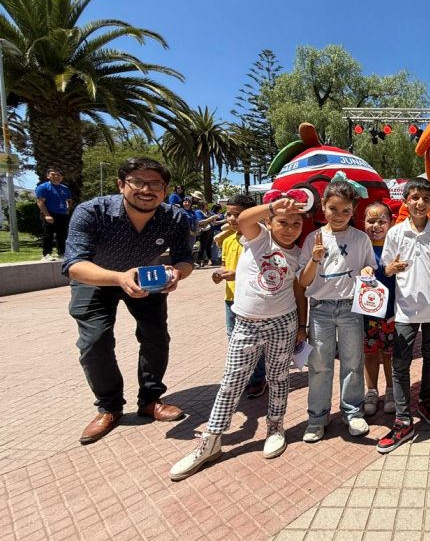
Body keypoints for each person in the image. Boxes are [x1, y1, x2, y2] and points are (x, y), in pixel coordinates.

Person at [170, 193, 308, 481]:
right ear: (269, 223)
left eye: (297, 223)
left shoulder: (298, 253)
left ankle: (275, 427)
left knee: (278, 378)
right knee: (232, 381)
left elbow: (299, 290)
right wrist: (273, 205)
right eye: (283, 221)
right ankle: (211, 441)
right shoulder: (259, 239)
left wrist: (301, 325)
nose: (291, 227)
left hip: (283, 322)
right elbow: (244, 219)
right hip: (246, 323)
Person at [62, 157, 194, 445]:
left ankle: (150, 399)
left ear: (165, 188)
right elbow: (73, 264)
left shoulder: (174, 217)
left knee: (156, 337)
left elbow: (185, 259)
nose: (146, 189)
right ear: (121, 184)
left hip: (147, 280)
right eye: (138, 181)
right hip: (95, 279)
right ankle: (109, 408)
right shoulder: (91, 212)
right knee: (94, 341)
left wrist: (176, 273)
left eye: (155, 184)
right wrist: (119, 277)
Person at [298, 172, 377, 443]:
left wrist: (368, 271)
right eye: (333, 209)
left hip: (350, 308)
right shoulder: (313, 239)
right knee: (319, 364)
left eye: (346, 210)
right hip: (319, 309)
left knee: (353, 362)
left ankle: (352, 412)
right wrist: (315, 260)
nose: (339, 214)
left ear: (354, 210)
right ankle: (317, 418)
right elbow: (303, 280)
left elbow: (370, 269)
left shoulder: (360, 238)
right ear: (323, 206)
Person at [377, 177, 430, 453]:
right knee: (400, 362)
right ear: (406, 201)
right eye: (415, 197)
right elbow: (386, 268)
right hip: (405, 309)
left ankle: (426, 401)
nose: (420, 202)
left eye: (425, 198)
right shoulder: (396, 233)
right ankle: (402, 418)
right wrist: (393, 268)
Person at [212, 194, 268, 399]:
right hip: (231, 298)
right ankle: (243, 377)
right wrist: (219, 273)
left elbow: (267, 270)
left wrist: (237, 274)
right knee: (234, 339)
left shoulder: (261, 238)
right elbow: (224, 264)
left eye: (238, 215)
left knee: (256, 341)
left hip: (253, 300)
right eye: (229, 214)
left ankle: (258, 378)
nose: (231, 219)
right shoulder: (226, 239)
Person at [361, 201, 397, 416]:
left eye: (381, 221)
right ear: (363, 222)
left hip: (392, 312)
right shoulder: (359, 246)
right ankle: (372, 391)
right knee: (370, 354)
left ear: (390, 222)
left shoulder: (395, 247)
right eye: (370, 220)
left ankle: (391, 390)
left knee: (390, 355)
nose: (376, 225)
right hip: (367, 313)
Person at [35, 167, 73, 261]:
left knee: (62, 235)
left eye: (58, 174)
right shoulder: (43, 187)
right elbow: (40, 202)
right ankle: (46, 254)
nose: (56, 176)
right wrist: (47, 215)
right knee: (48, 235)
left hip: (62, 214)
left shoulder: (65, 188)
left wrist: (67, 209)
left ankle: (62, 253)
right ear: (48, 176)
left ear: (62, 177)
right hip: (49, 213)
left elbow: (69, 200)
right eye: (53, 174)